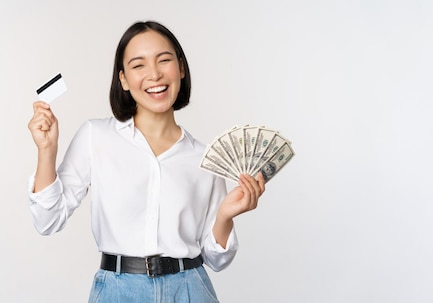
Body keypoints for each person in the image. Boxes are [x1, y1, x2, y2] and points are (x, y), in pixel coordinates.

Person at [27, 20, 265, 303]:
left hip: (190, 289)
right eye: (138, 65)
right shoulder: (96, 136)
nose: (154, 74)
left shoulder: (205, 158)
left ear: (181, 68)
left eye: (164, 60)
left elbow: (217, 260)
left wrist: (225, 214)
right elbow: (47, 220)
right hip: (117, 291)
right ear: (124, 79)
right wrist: (47, 151)